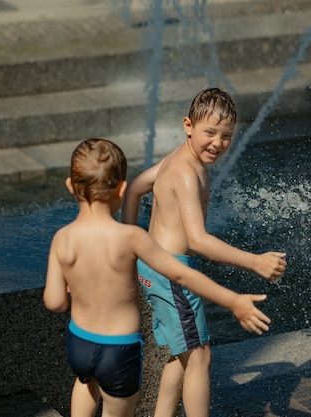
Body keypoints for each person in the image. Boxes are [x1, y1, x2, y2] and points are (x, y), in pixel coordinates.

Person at [43, 138, 271, 417]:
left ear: (70, 186)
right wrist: (233, 300)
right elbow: (179, 273)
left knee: (85, 384)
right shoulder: (132, 238)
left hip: (79, 341)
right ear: (121, 189)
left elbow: (54, 302)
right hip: (118, 349)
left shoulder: (62, 239)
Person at [122, 87, 287, 417]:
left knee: (181, 356)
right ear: (188, 125)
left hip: (158, 268)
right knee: (200, 356)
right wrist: (254, 261)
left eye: (226, 136)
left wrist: (132, 242)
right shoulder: (186, 173)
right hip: (173, 273)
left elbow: (135, 188)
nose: (217, 142)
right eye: (209, 132)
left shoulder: (176, 159)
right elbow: (198, 240)